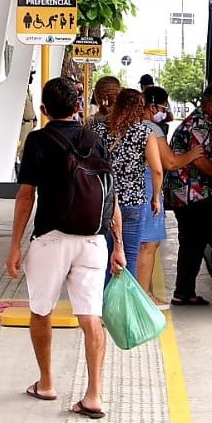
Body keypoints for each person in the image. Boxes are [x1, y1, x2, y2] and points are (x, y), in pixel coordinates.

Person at [7, 77, 126, 420]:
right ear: (78, 107)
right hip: (93, 239)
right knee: (91, 317)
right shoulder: (95, 139)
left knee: (41, 311)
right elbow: (110, 193)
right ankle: (94, 395)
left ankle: (46, 382)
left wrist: (15, 246)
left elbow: (26, 196)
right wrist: (117, 245)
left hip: (51, 238)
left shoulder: (38, 140)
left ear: (43, 111)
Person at [164, 83, 212, 305]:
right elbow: (201, 161)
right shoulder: (199, 124)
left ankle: (184, 292)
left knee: (193, 241)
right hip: (192, 193)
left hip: (184, 193)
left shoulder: (199, 122)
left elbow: (211, 149)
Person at [138, 85, 202, 304]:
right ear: (152, 106)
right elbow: (169, 163)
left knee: (131, 244)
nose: (164, 112)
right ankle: (144, 294)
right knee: (149, 244)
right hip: (147, 188)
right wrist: (192, 154)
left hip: (125, 190)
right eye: (164, 107)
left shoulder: (126, 124)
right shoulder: (152, 130)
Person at [91, 88, 154, 284]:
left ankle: (102, 305)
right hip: (133, 203)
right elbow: (158, 170)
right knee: (129, 258)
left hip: (104, 202)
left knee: (104, 257)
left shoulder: (100, 130)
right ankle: (124, 307)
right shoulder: (144, 132)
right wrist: (156, 195)